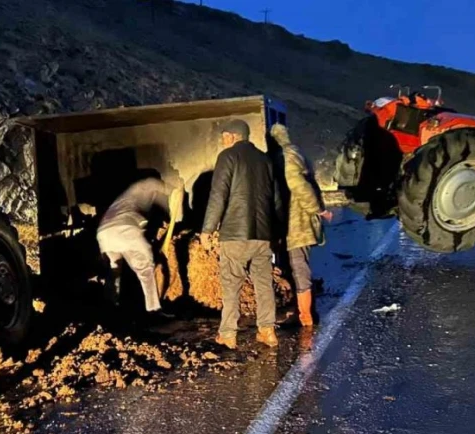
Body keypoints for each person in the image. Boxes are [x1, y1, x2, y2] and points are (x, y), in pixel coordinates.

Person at [201, 119, 284, 349]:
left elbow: (218, 196)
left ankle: (228, 335)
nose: (223, 140)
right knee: (263, 283)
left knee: (231, 284)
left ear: (233, 136)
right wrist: (277, 233)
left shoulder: (227, 157)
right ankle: (267, 331)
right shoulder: (265, 160)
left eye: (225, 136)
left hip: (235, 235)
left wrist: (207, 229)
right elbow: (276, 200)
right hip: (263, 235)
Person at [269, 123, 333, 327]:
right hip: (293, 220)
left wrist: (318, 209)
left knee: (298, 266)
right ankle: (303, 311)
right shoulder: (292, 153)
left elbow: (298, 185)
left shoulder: (287, 156)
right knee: (296, 265)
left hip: (297, 221)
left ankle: (306, 317)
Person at [96, 175, 183, 317]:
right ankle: (153, 309)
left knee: (114, 271)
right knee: (146, 270)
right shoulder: (150, 184)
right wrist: (176, 194)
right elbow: (169, 201)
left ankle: (110, 310)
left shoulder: (126, 196)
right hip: (125, 230)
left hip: (104, 232)